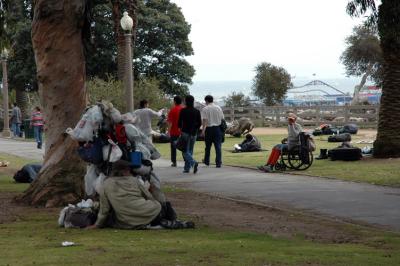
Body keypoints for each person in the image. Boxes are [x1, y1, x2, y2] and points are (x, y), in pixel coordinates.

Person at [88, 160, 194, 230]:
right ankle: (171, 221)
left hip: (127, 222)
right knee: (160, 205)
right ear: (126, 171)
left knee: (114, 219)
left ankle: (162, 223)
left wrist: (96, 225)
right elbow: (150, 197)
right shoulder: (134, 180)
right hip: (151, 212)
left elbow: (104, 210)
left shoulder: (106, 184)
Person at [178, 95, 202, 173]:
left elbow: (179, 122)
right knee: (190, 150)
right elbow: (199, 123)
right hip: (194, 133)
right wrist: (196, 129)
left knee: (184, 151)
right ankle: (187, 168)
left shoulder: (183, 111)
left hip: (185, 132)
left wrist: (180, 129)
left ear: (186, 101)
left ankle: (193, 163)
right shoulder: (197, 111)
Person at [201, 95, 224, 168]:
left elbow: (204, 120)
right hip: (217, 128)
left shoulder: (205, 109)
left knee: (208, 146)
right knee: (218, 146)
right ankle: (218, 162)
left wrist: (203, 130)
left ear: (206, 101)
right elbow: (222, 118)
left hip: (209, 129)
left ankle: (207, 161)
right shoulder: (218, 108)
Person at [167, 96, 183, 167]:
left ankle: (174, 162)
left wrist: (168, 131)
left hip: (174, 131)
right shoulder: (184, 109)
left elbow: (170, 122)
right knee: (184, 147)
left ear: (175, 101)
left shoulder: (172, 110)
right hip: (183, 131)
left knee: (173, 148)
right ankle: (186, 161)